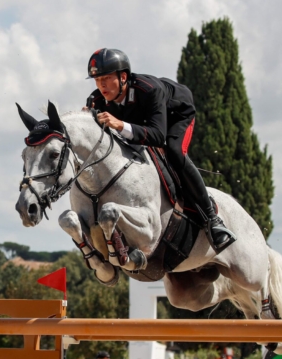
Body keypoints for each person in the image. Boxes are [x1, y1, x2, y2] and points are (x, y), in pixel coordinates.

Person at [84, 48, 236, 254]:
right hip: (141, 122)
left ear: (123, 77)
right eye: (97, 79)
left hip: (175, 116)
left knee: (173, 151)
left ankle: (211, 218)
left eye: (107, 78)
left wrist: (120, 125)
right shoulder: (96, 101)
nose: (101, 85)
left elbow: (157, 136)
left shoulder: (149, 90)